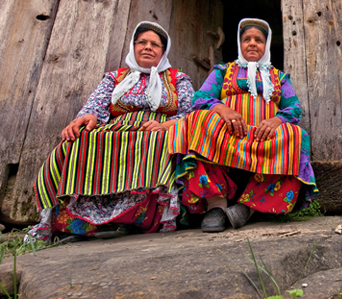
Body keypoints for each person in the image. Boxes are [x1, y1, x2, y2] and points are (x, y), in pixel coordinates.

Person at [28, 21, 194, 242]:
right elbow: (95, 107)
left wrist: (165, 126)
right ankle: (78, 224)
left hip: (156, 130)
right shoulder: (114, 78)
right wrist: (85, 118)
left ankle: (137, 220)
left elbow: (190, 113)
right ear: (133, 47)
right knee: (75, 142)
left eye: (155, 44)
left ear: (163, 51)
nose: (147, 47)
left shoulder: (177, 79)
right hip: (116, 130)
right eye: (142, 42)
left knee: (155, 141)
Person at [169, 18, 317, 232]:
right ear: (239, 44)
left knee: (296, 135)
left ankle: (247, 208)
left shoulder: (279, 77)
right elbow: (201, 98)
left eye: (258, 39)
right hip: (227, 135)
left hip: (264, 138)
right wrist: (225, 111)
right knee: (197, 120)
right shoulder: (223, 70)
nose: (252, 43)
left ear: (266, 45)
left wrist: (276, 121)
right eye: (247, 39)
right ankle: (216, 207)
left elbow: (293, 108)